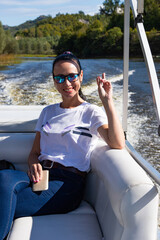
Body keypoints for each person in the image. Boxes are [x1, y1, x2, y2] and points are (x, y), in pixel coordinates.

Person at [0, 51, 125, 240]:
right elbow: (35, 152)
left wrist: (107, 101)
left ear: (81, 76)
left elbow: (117, 143)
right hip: (40, 176)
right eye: (59, 78)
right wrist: (33, 162)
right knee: (4, 177)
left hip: (66, 185)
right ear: (54, 81)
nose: (66, 83)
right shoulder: (47, 112)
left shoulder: (91, 112)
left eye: (71, 76)